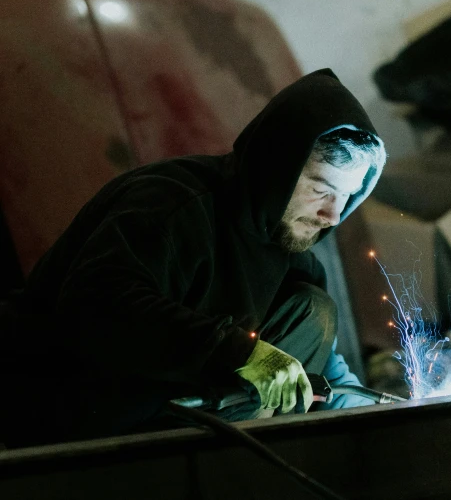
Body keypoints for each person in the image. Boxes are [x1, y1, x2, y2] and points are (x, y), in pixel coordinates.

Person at [0, 68, 386, 448]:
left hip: (168, 415)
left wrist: (376, 417)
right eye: (322, 189)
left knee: (313, 310)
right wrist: (239, 352)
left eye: (347, 196)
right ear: (278, 166)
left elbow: (325, 370)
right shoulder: (172, 204)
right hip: (67, 413)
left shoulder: (287, 247)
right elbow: (95, 303)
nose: (333, 215)